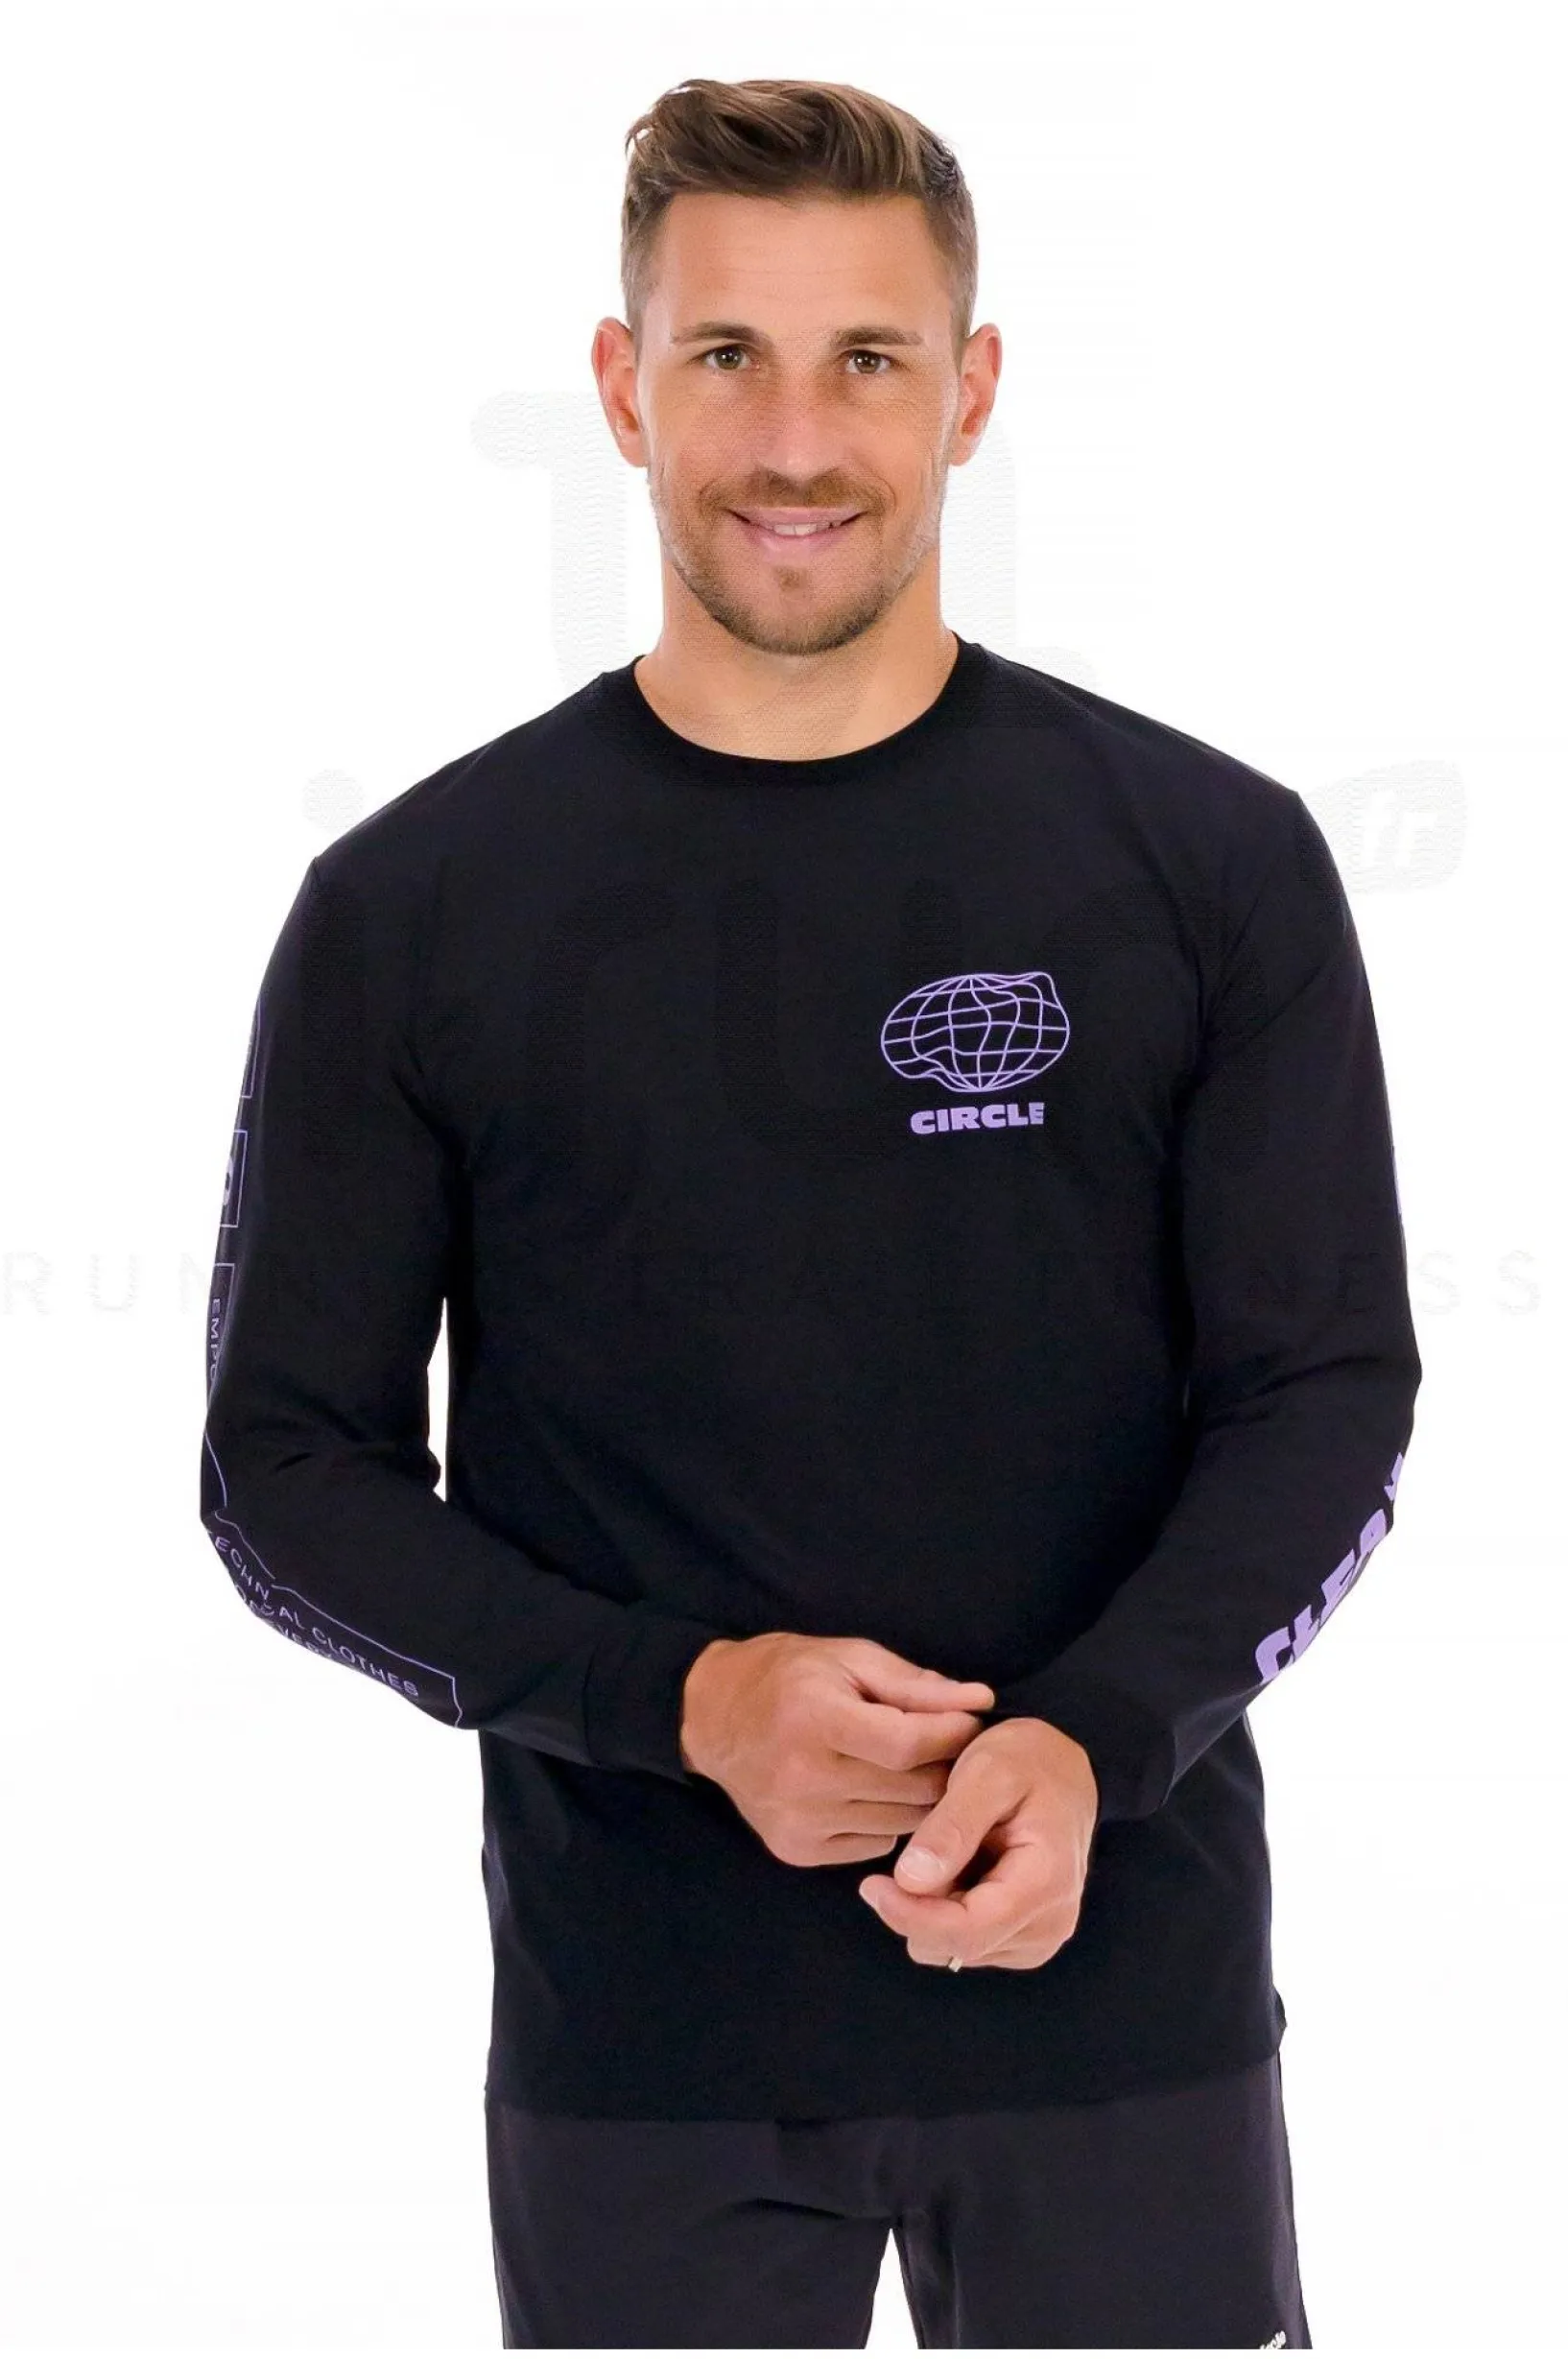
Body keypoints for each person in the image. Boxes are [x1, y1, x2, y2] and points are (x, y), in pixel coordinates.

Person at [199, 74, 1420, 2349]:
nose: (792, 438)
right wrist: (685, 1700)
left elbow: (1324, 1388)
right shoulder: (417, 907)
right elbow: (281, 1472)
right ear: (619, 385)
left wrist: (1094, 1737)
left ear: (970, 387)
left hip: (1121, 2008)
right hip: (641, 2041)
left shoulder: (1207, 860)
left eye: (865, 357)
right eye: (723, 354)